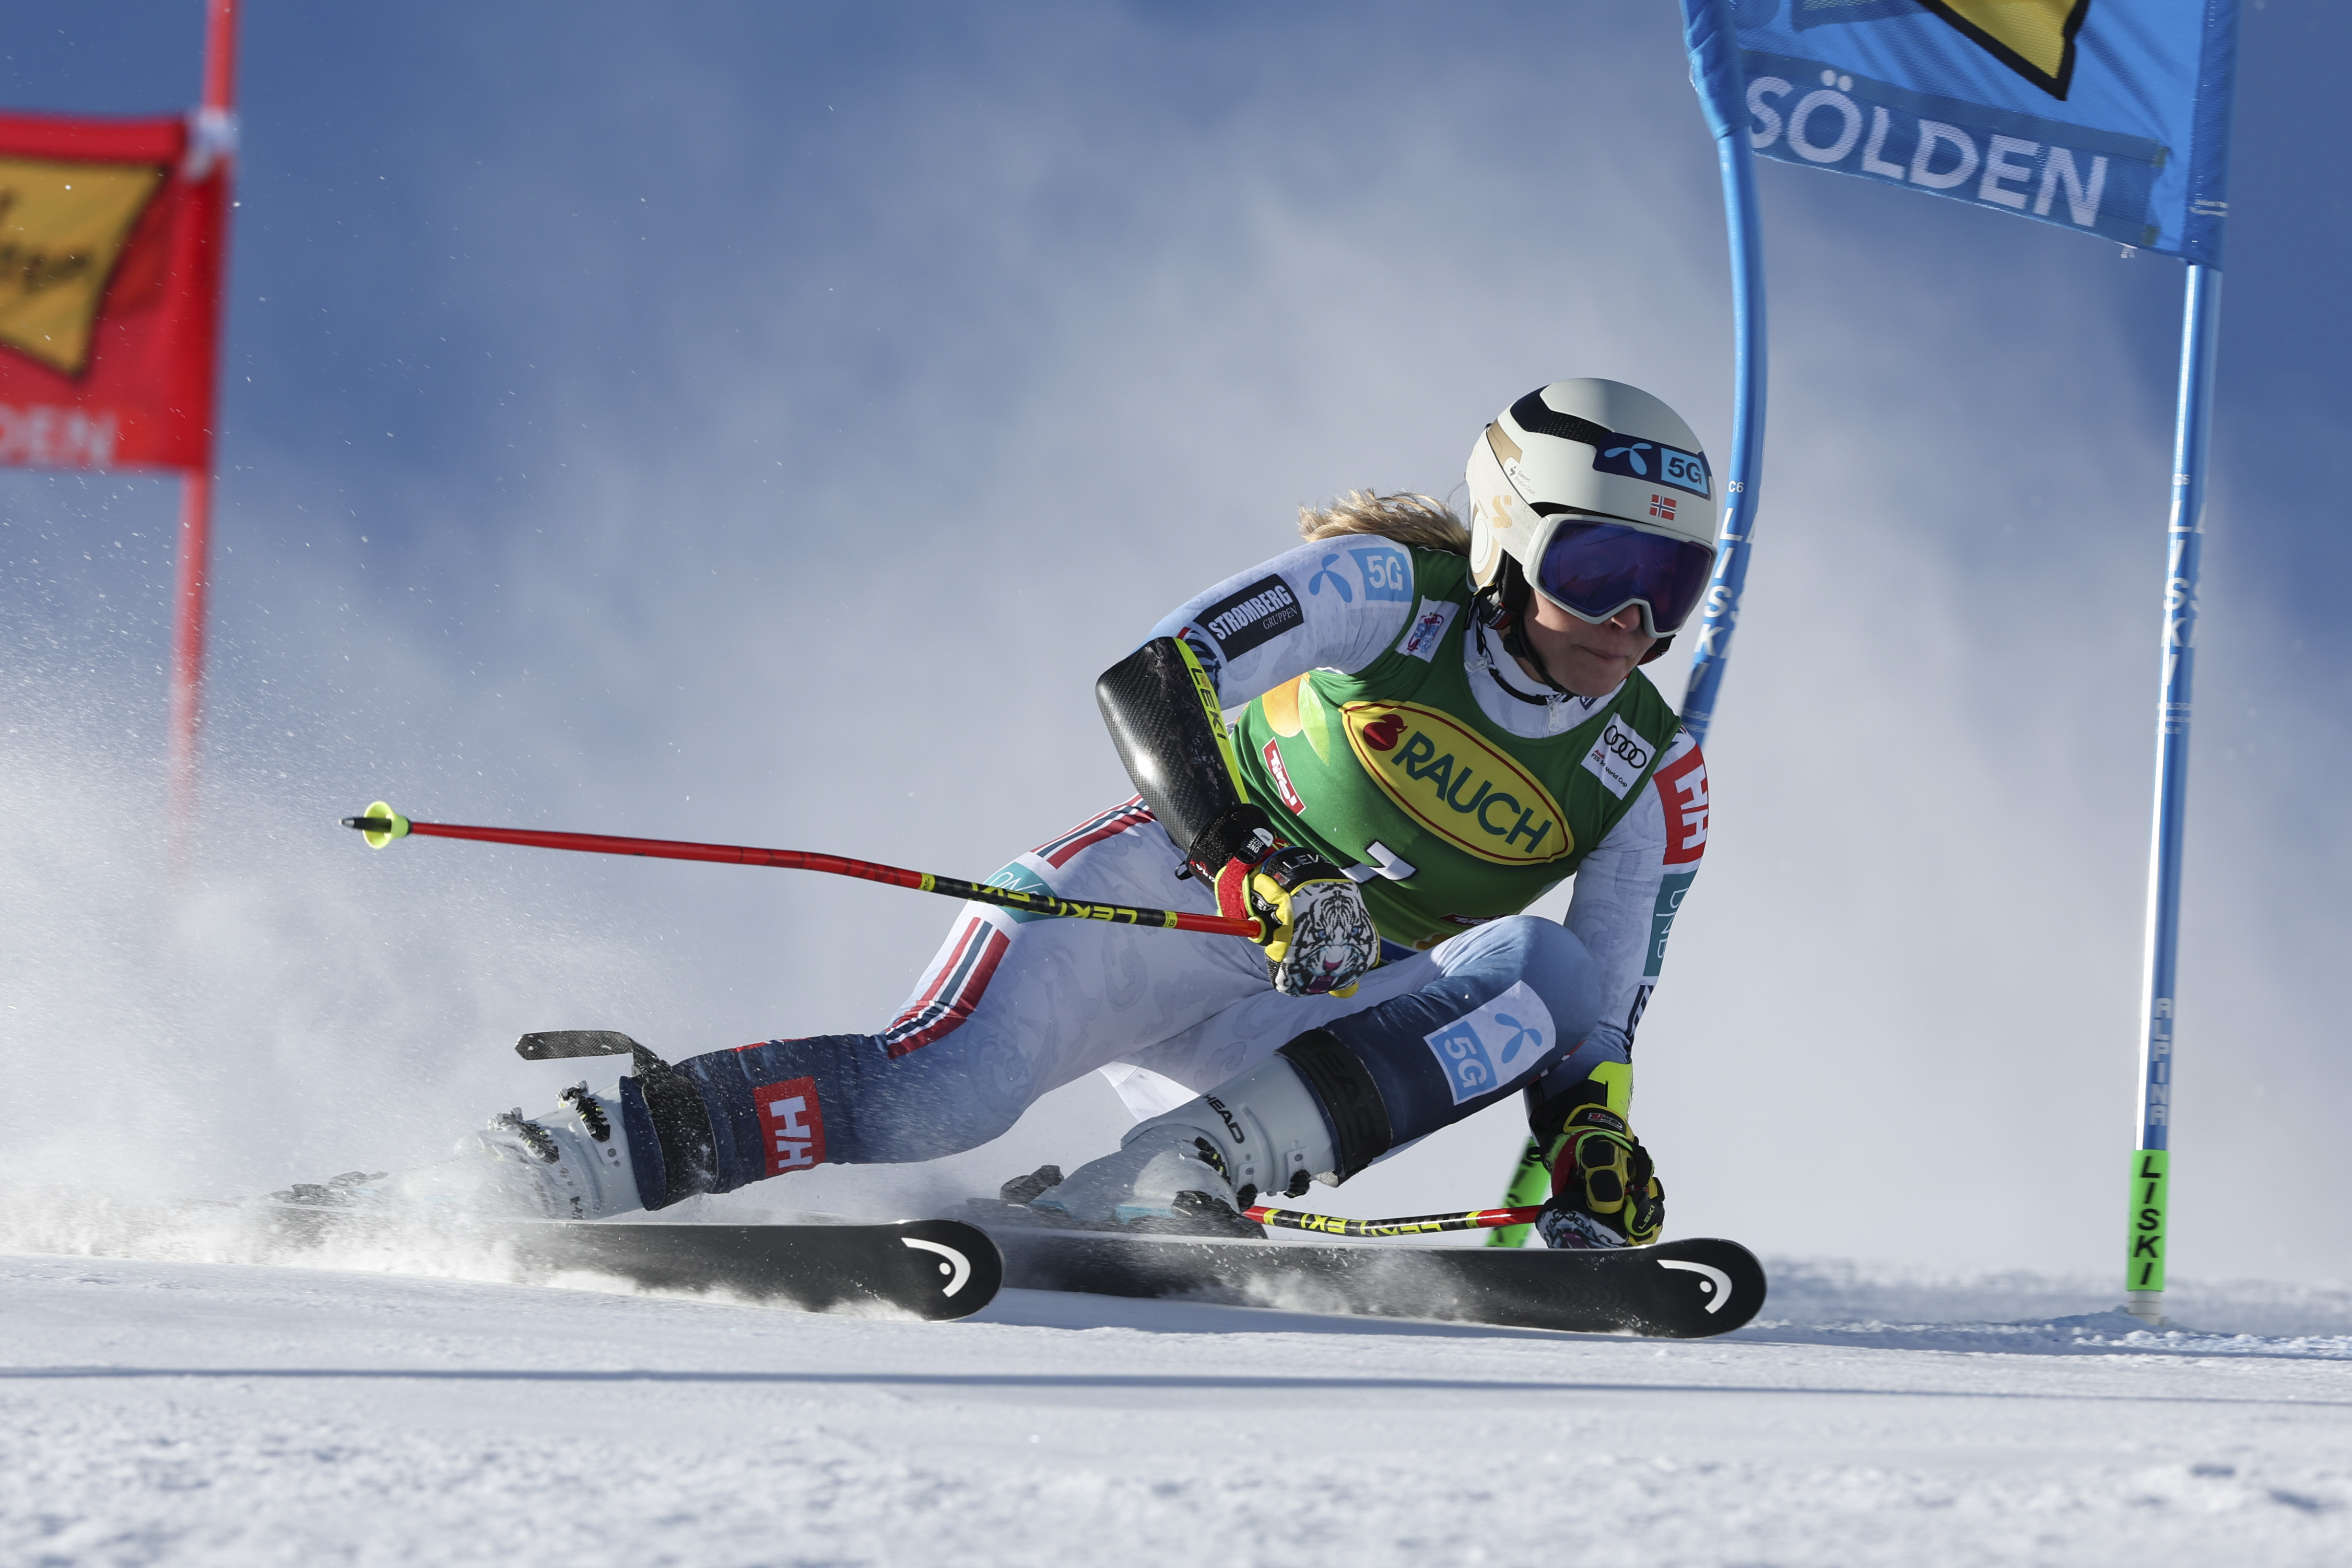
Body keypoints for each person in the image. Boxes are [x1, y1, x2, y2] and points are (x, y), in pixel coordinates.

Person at [319, 379, 1718, 1251]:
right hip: (1162, 898)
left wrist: (1585, 1135)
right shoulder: (1378, 588)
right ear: (1505, 536)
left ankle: (1180, 1175)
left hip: (1305, 1019)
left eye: (1673, 584)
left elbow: (1596, 1007)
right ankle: (574, 1152)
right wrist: (1254, 857)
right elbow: (1156, 675)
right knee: (941, 1095)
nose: (1632, 623)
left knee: (1547, 968)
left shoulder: (1647, 768)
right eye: (1599, 567)